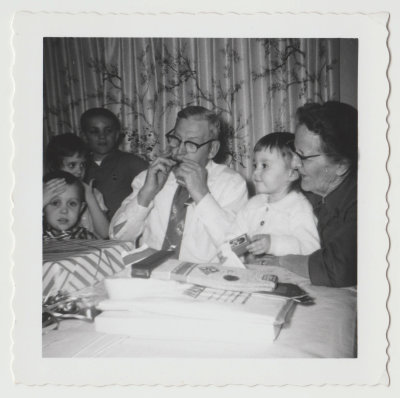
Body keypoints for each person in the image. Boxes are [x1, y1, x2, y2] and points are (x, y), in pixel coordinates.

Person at [109, 105, 248, 263]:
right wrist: (146, 194)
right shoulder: (149, 178)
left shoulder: (232, 184)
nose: (180, 151)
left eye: (191, 144)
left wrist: (202, 195)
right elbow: (117, 237)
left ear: (212, 149)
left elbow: (238, 247)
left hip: (203, 278)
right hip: (150, 275)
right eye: (176, 140)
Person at [276, 101, 358, 288]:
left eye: (303, 156)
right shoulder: (305, 191)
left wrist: (281, 260)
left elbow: (336, 268)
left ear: (341, 165)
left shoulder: (363, 204)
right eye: (294, 151)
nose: (294, 163)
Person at [229, 132, 320, 258]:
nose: (256, 172)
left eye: (264, 166)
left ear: (292, 173)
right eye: (256, 165)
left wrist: (273, 244)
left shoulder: (299, 208)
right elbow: (234, 236)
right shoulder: (253, 204)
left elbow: (311, 249)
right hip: (254, 273)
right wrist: (233, 250)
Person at [82, 108, 148, 218]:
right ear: (84, 136)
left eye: (108, 131)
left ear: (117, 135)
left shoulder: (130, 162)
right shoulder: (79, 167)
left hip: (123, 231)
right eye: (94, 131)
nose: (102, 136)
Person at [45, 133, 109, 238]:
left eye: (82, 165)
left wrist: (89, 197)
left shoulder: (93, 194)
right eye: (72, 165)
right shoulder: (44, 191)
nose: (79, 171)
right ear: (54, 166)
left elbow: (105, 233)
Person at [43, 171, 97, 241]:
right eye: (55, 203)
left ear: (81, 208)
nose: (64, 211)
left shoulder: (86, 237)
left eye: (72, 204)